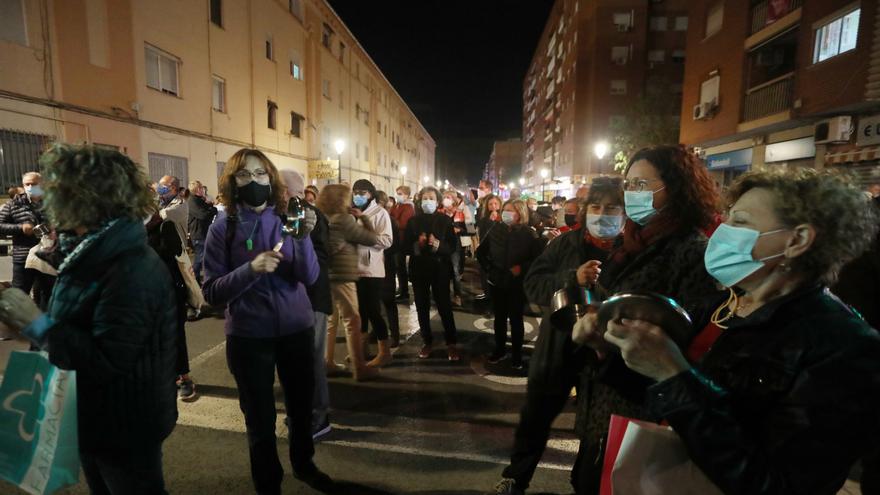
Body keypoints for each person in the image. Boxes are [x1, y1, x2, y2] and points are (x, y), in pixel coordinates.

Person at [575, 169, 880, 495]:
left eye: (741, 222)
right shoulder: (722, 306)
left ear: (797, 240)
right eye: (728, 218)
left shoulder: (843, 345)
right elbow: (664, 400)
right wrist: (610, 350)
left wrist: (672, 374)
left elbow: (781, 485)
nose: (722, 232)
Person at [0, 144, 178, 494]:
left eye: (61, 187)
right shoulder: (88, 250)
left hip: (124, 424)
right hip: (91, 414)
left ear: (94, 196)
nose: (49, 196)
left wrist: (35, 322)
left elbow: (106, 359)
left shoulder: (130, 268)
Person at [568, 145, 722, 493]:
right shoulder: (630, 242)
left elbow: (688, 340)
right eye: (629, 184)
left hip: (643, 412)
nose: (631, 193)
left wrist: (612, 339)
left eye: (642, 184)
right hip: (603, 401)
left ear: (676, 187)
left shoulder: (691, 250)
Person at [202, 148, 331, 493]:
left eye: (260, 173)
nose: (254, 181)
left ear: (271, 178)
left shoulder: (288, 217)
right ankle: (268, 482)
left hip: (296, 330)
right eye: (244, 174)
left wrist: (302, 239)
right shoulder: (223, 227)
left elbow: (310, 275)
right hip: (248, 336)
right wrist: (251, 269)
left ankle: (304, 464)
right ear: (233, 182)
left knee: (300, 409)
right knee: (259, 418)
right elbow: (211, 292)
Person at [493, 177, 625, 495]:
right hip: (557, 347)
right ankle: (516, 477)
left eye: (612, 208)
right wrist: (571, 278)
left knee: (596, 426)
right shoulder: (565, 244)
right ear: (585, 211)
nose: (602, 214)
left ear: (624, 213)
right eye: (596, 207)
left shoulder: (631, 252)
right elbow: (534, 284)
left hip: (603, 354)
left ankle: (583, 483)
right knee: (535, 418)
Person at [281, 170, 334, 440]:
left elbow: (321, 259)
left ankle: (319, 416)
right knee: (293, 360)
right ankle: (300, 411)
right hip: (292, 298)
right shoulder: (281, 215)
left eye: (278, 187)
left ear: (289, 191)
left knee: (312, 359)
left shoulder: (311, 216)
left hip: (312, 299)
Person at [319, 184, 381, 381]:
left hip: (326, 275)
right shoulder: (344, 220)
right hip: (343, 274)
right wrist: (363, 218)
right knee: (353, 321)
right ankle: (359, 367)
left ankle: (327, 362)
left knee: (330, 322)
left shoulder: (323, 218)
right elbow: (371, 239)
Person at [146, 175, 197, 401]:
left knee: (175, 333)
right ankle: (167, 375)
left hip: (170, 286)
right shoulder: (132, 230)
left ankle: (184, 377)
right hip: (147, 289)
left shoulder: (165, 222)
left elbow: (174, 254)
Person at [483, 199, 541, 370]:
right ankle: (499, 350)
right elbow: (481, 253)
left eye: (511, 210)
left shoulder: (529, 234)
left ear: (520, 213)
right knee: (499, 319)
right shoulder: (495, 229)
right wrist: (490, 270)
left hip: (517, 284)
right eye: (505, 210)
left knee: (516, 320)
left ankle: (517, 355)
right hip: (497, 283)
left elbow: (538, 260)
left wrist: (522, 268)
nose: (506, 213)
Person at [405, 186, 460, 361]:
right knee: (422, 307)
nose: (427, 201)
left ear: (437, 202)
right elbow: (405, 245)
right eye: (424, 198)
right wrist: (418, 245)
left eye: (431, 198)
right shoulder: (413, 221)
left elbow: (453, 246)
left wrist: (438, 245)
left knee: (444, 307)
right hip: (419, 269)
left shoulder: (445, 220)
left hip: (440, 269)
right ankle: (427, 341)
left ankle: (451, 343)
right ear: (420, 201)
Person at [351, 179, 394, 367]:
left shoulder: (380, 213)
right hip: (354, 269)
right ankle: (362, 350)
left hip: (371, 270)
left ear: (371, 194)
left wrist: (365, 237)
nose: (358, 196)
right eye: (355, 192)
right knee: (359, 312)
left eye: (362, 193)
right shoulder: (352, 212)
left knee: (373, 311)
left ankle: (384, 352)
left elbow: (387, 241)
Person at [0, 172, 52, 306]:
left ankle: (44, 318)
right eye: (26, 184)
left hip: (48, 256)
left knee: (47, 295)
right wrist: (20, 228)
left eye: (34, 184)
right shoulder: (14, 204)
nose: (30, 187)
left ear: (42, 184)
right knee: (19, 295)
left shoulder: (51, 203)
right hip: (23, 256)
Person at [375, 190, 402, 348]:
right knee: (376, 301)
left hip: (386, 264)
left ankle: (395, 335)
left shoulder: (390, 221)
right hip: (375, 264)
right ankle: (378, 332)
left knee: (388, 300)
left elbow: (394, 245)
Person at [187, 180, 217, 285]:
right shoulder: (192, 201)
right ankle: (194, 280)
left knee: (203, 258)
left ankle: (199, 278)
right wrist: (212, 210)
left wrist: (211, 209)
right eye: (200, 188)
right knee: (199, 259)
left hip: (203, 232)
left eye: (202, 188)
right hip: (198, 234)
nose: (202, 190)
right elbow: (203, 215)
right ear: (195, 190)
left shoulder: (199, 200)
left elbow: (211, 209)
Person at [475, 193, 503, 301]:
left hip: (498, 252)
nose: (493, 206)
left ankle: (493, 297)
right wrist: (490, 221)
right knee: (483, 274)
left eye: (496, 203)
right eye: (490, 204)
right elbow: (483, 235)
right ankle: (486, 293)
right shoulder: (484, 220)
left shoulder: (503, 218)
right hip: (486, 252)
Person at [441, 189, 466, 307]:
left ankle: (457, 296)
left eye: (449, 197)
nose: (446, 199)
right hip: (442, 245)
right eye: (445, 197)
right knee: (442, 270)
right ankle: (443, 294)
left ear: (454, 200)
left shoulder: (460, 214)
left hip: (455, 246)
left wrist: (459, 230)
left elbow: (467, 230)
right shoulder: (440, 213)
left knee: (455, 271)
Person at [391, 185, 415, 302]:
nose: (398, 195)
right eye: (397, 193)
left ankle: (404, 292)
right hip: (395, 239)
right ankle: (401, 289)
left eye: (400, 194)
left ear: (407, 195)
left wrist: (391, 221)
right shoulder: (397, 205)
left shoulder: (408, 207)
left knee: (400, 266)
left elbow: (403, 223)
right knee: (397, 266)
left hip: (401, 240)